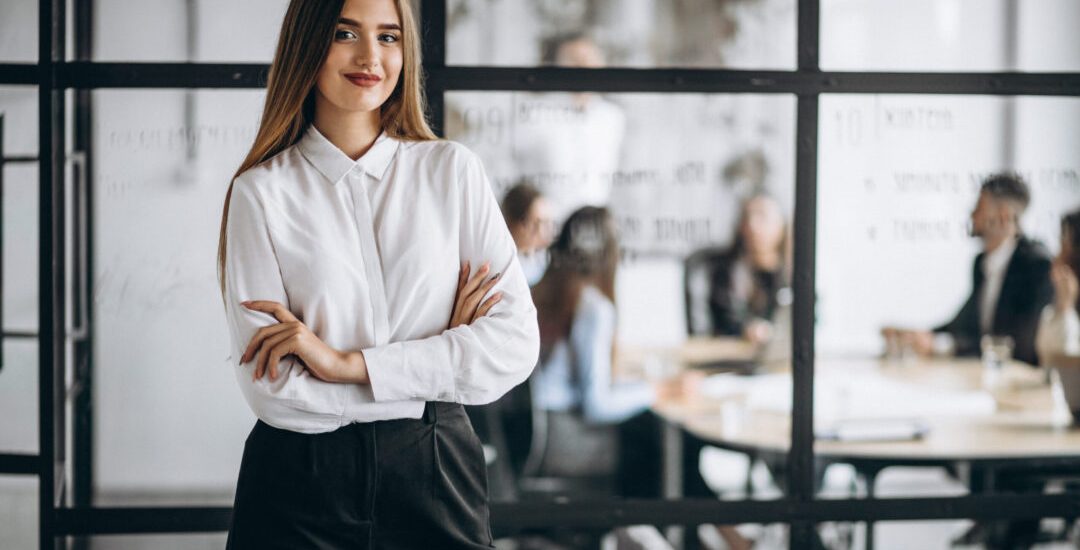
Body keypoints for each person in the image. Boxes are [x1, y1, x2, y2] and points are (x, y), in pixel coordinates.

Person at [217, 1, 539, 547]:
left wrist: (345, 365)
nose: (370, 56)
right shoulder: (260, 194)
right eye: (346, 33)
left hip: (437, 473)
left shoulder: (451, 172)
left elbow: (512, 348)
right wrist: (436, 367)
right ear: (308, 44)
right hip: (299, 482)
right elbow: (275, 393)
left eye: (389, 37)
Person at [886, 173, 1053, 366]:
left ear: (1003, 216)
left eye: (979, 208)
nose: (972, 215)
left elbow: (1015, 345)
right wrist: (919, 336)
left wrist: (941, 346)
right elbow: (963, 324)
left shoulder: (1036, 267)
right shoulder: (981, 263)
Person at [708, 193, 790, 345]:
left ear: (781, 225)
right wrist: (746, 330)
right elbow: (720, 323)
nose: (753, 225)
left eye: (762, 217)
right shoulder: (724, 271)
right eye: (747, 217)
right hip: (732, 359)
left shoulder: (792, 274)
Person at [1037, 209, 1080, 361]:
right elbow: (1049, 363)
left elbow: (1065, 365)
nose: (1057, 255)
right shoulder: (1059, 297)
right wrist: (1064, 307)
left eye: (1064, 244)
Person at [501, 182, 555, 285]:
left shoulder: (549, 264)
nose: (543, 231)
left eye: (548, 222)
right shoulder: (502, 269)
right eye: (536, 223)